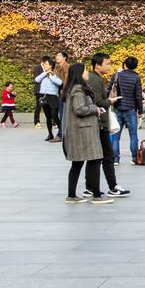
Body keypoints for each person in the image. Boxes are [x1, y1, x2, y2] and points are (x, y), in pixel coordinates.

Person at [61, 62, 111, 204]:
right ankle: (96, 195)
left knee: (77, 163)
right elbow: (79, 109)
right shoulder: (78, 89)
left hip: (79, 131)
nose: (87, 73)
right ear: (79, 74)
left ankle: (72, 195)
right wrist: (95, 109)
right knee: (95, 160)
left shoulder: (72, 88)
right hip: (84, 131)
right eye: (84, 71)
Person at [85, 54, 129, 197]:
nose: (109, 66)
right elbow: (98, 102)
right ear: (98, 65)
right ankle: (112, 186)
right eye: (107, 64)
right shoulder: (95, 80)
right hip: (99, 123)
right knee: (107, 156)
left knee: (95, 157)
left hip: (98, 122)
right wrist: (111, 101)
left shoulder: (95, 79)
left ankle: (90, 187)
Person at [108, 56, 143, 163]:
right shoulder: (136, 78)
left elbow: (109, 89)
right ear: (135, 66)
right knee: (133, 135)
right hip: (131, 110)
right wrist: (140, 111)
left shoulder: (117, 75)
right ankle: (134, 158)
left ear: (125, 65)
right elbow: (138, 96)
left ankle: (115, 159)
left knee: (115, 135)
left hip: (118, 108)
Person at [35, 57, 63, 142]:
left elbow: (60, 82)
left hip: (53, 97)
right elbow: (37, 79)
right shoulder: (43, 74)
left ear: (51, 66)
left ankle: (61, 133)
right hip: (44, 96)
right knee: (48, 116)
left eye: (46, 64)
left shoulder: (55, 74)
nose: (44, 65)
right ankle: (50, 134)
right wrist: (45, 73)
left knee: (54, 115)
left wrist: (51, 76)